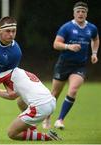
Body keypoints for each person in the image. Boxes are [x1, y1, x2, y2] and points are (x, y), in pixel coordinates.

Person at [44, 1, 100, 130]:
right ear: (74, 13)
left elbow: (95, 39)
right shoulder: (66, 27)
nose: (80, 13)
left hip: (79, 66)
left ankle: (60, 120)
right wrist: (69, 46)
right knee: (55, 93)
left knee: (73, 90)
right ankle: (47, 118)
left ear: (86, 13)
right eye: (78, 11)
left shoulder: (91, 28)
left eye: (83, 11)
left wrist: (94, 53)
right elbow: (56, 44)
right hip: (64, 64)